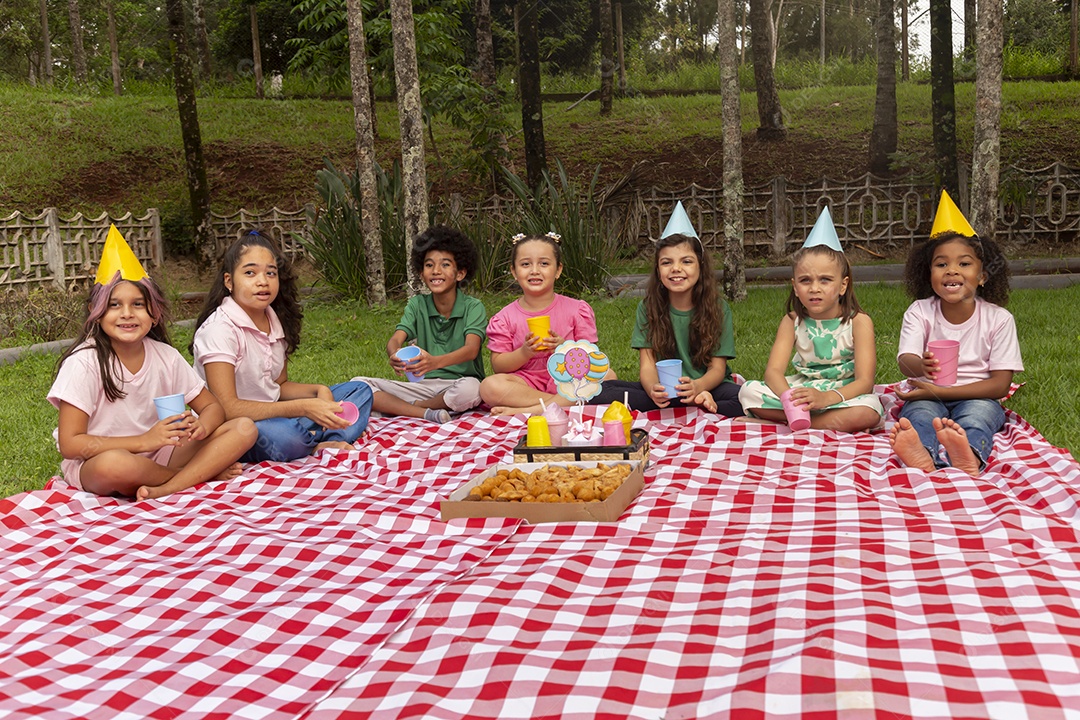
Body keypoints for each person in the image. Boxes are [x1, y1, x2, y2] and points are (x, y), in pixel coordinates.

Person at [48, 225, 256, 500]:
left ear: (154, 313)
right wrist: (145, 441)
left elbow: (212, 407)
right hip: (99, 462)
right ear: (96, 313)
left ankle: (169, 485)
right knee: (116, 464)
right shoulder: (84, 362)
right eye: (114, 305)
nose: (126, 314)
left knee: (243, 427)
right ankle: (197, 476)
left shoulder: (165, 356)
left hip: (163, 453)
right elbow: (71, 444)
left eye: (137, 304)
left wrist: (201, 425)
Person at [192, 231, 373, 463]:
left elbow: (279, 386)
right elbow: (225, 408)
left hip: (275, 413)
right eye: (250, 273)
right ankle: (312, 440)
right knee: (285, 437)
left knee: (359, 390)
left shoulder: (275, 320)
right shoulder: (220, 329)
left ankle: (325, 440)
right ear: (229, 281)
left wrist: (318, 391)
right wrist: (304, 408)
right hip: (236, 425)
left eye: (270, 273)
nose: (262, 281)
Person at [889, 191, 1022, 476]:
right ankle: (922, 455)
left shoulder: (998, 319)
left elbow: (1000, 386)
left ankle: (968, 456)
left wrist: (945, 390)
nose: (952, 271)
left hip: (978, 394)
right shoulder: (920, 311)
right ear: (929, 274)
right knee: (918, 416)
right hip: (926, 393)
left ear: (983, 276)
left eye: (964, 263)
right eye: (941, 264)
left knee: (978, 417)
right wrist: (919, 366)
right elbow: (906, 359)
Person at [739, 207, 884, 431]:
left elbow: (865, 381)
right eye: (805, 280)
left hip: (843, 393)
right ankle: (802, 419)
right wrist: (790, 399)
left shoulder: (859, 322)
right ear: (795, 287)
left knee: (869, 411)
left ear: (843, 285)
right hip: (801, 389)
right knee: (748, 391)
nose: (815, 288)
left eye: (825, 280)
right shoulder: (792, 321)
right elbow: (773, 372)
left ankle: (783, 424)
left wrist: (826, 398)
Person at [592, 202, 742, 416]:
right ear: (658, 269)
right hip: (666, 391)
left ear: (700, 265)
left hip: (708, 387)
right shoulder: (648, 307)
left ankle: (697, 403)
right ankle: (697, 408)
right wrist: (653, 389)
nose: (676, 269)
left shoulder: (718, 308)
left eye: (686, 261)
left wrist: (698, 387)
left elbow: (717, 369)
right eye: (667, 262)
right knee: (600, 391)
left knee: (742, 397)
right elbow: (647, 364)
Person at [352, 226, 486, 423]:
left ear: (460, 273)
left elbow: (471, 350)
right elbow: (396, 339)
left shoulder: (473, 307)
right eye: (429, 265)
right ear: (422, 274)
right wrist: (394, 354)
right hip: (421, 385)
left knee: (473, 389)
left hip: (458, 384)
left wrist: (434, 362)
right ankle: (426, 412)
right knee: (358, 384)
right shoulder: (417, 305)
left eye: (446, 265)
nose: (436, 271)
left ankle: (411, 408)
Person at [480, 231, 615, 415]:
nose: (535, 270)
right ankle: (560, 403)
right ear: (514, 271)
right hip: (526, 383)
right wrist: (524, 352)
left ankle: (531, 410)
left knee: (607, 375)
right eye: (526, 264)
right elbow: (498, 366)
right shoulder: (504, 318)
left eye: (544, 263)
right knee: (489, 386)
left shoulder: (576, 310)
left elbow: (591, 357)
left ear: (558, 270)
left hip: (567, 379)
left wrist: (564, 348)